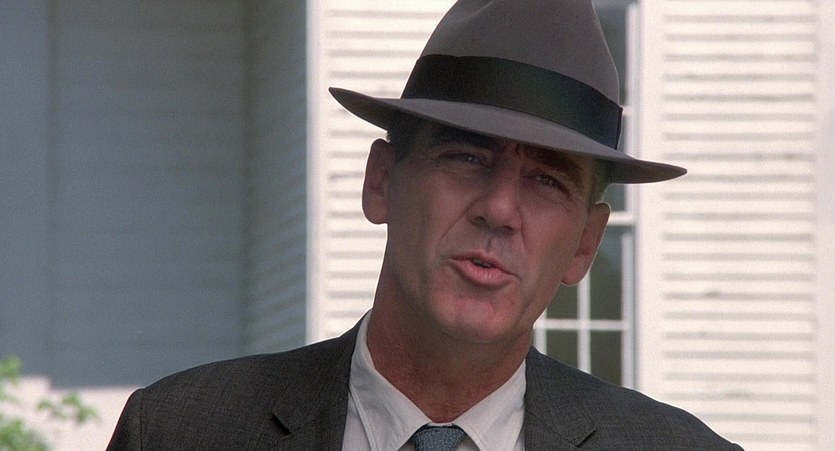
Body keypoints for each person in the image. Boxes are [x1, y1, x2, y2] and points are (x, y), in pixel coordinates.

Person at [108, 0, 743, 449]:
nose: (499, 209)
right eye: (466, 157)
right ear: (381, 180)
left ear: (585, 243)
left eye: (547, 181)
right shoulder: (179, 433)